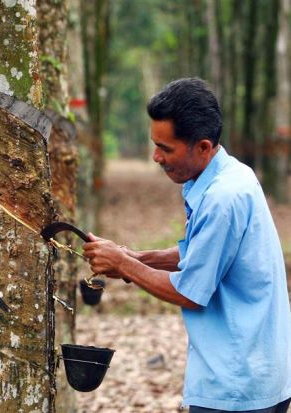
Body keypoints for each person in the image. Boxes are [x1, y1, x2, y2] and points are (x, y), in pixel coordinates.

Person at [83, 78, 291, 413]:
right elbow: (207, 254)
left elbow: (191, 293)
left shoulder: (223, 198)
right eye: (156, 145)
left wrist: (124, 266)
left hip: (237, 385)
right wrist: (135, 257)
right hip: (256, 370)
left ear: (203, 147)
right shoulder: (231, 175)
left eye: (166, 149)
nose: (156, 157)